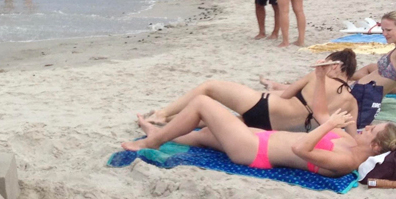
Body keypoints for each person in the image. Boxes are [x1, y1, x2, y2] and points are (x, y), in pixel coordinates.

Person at [124, 63, 396, 179]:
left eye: (372, 130)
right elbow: (320, 113)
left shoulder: (346, 162)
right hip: (259, 139)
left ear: (374, 148)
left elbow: (301, 150)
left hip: (254, 151)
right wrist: (320, 78)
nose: (367, 127)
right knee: (205, 133)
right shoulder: (348, 141)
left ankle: (152, 141)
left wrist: (329, 125)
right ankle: (156, 130)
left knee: (203, 103)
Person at [146, 49, 359, 133]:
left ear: (336, 66)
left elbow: (285, 95)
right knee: (222, 118)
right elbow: (351, 134)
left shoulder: (317, 76)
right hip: (275, 129)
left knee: (209, 87)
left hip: (265, 107)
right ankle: (171, 119)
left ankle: (162, 114)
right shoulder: (351, 102)